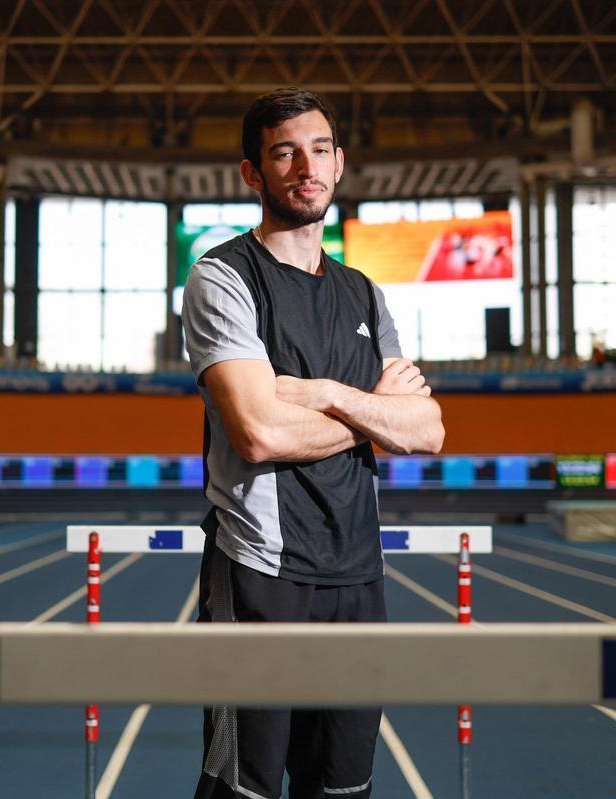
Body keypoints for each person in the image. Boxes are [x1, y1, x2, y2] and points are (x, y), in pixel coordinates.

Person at [181, 87, 445, 799]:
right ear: (252, 173)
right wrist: (373, 414)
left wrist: (323, 392)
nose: (307, 165)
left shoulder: (364, 293)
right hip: (262, 569)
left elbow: (427, 429)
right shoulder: (222, 276)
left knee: (344, 787)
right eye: (284, 151)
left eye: (320, 148)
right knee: (247, 788)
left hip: (360, 572)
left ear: (340, 162)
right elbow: (260, 432)